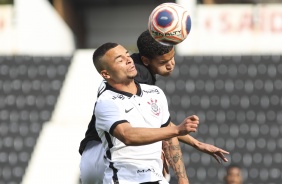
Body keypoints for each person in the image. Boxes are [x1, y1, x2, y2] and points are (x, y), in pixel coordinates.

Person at [79, 30, 229, 184]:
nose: (171, 65)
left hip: (95, 153)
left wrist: (195, 143)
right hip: (104, 152)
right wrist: (171, 143)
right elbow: (133, 133)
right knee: (158, 163)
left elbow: (161, 124)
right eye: (164, 62)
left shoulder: (139, 74)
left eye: (172, 58)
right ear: (146, 60)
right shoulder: (139, 75)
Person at [91, 42, 200, 183]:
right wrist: (177, 130)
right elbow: (128, 135)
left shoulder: (155, 92)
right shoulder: (106, 101)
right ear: (106, 74)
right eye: (120, 60)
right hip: (125, 180)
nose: (129, 60)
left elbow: (169, 136)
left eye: (127, 55)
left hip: (156, 178)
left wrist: (183, 179)